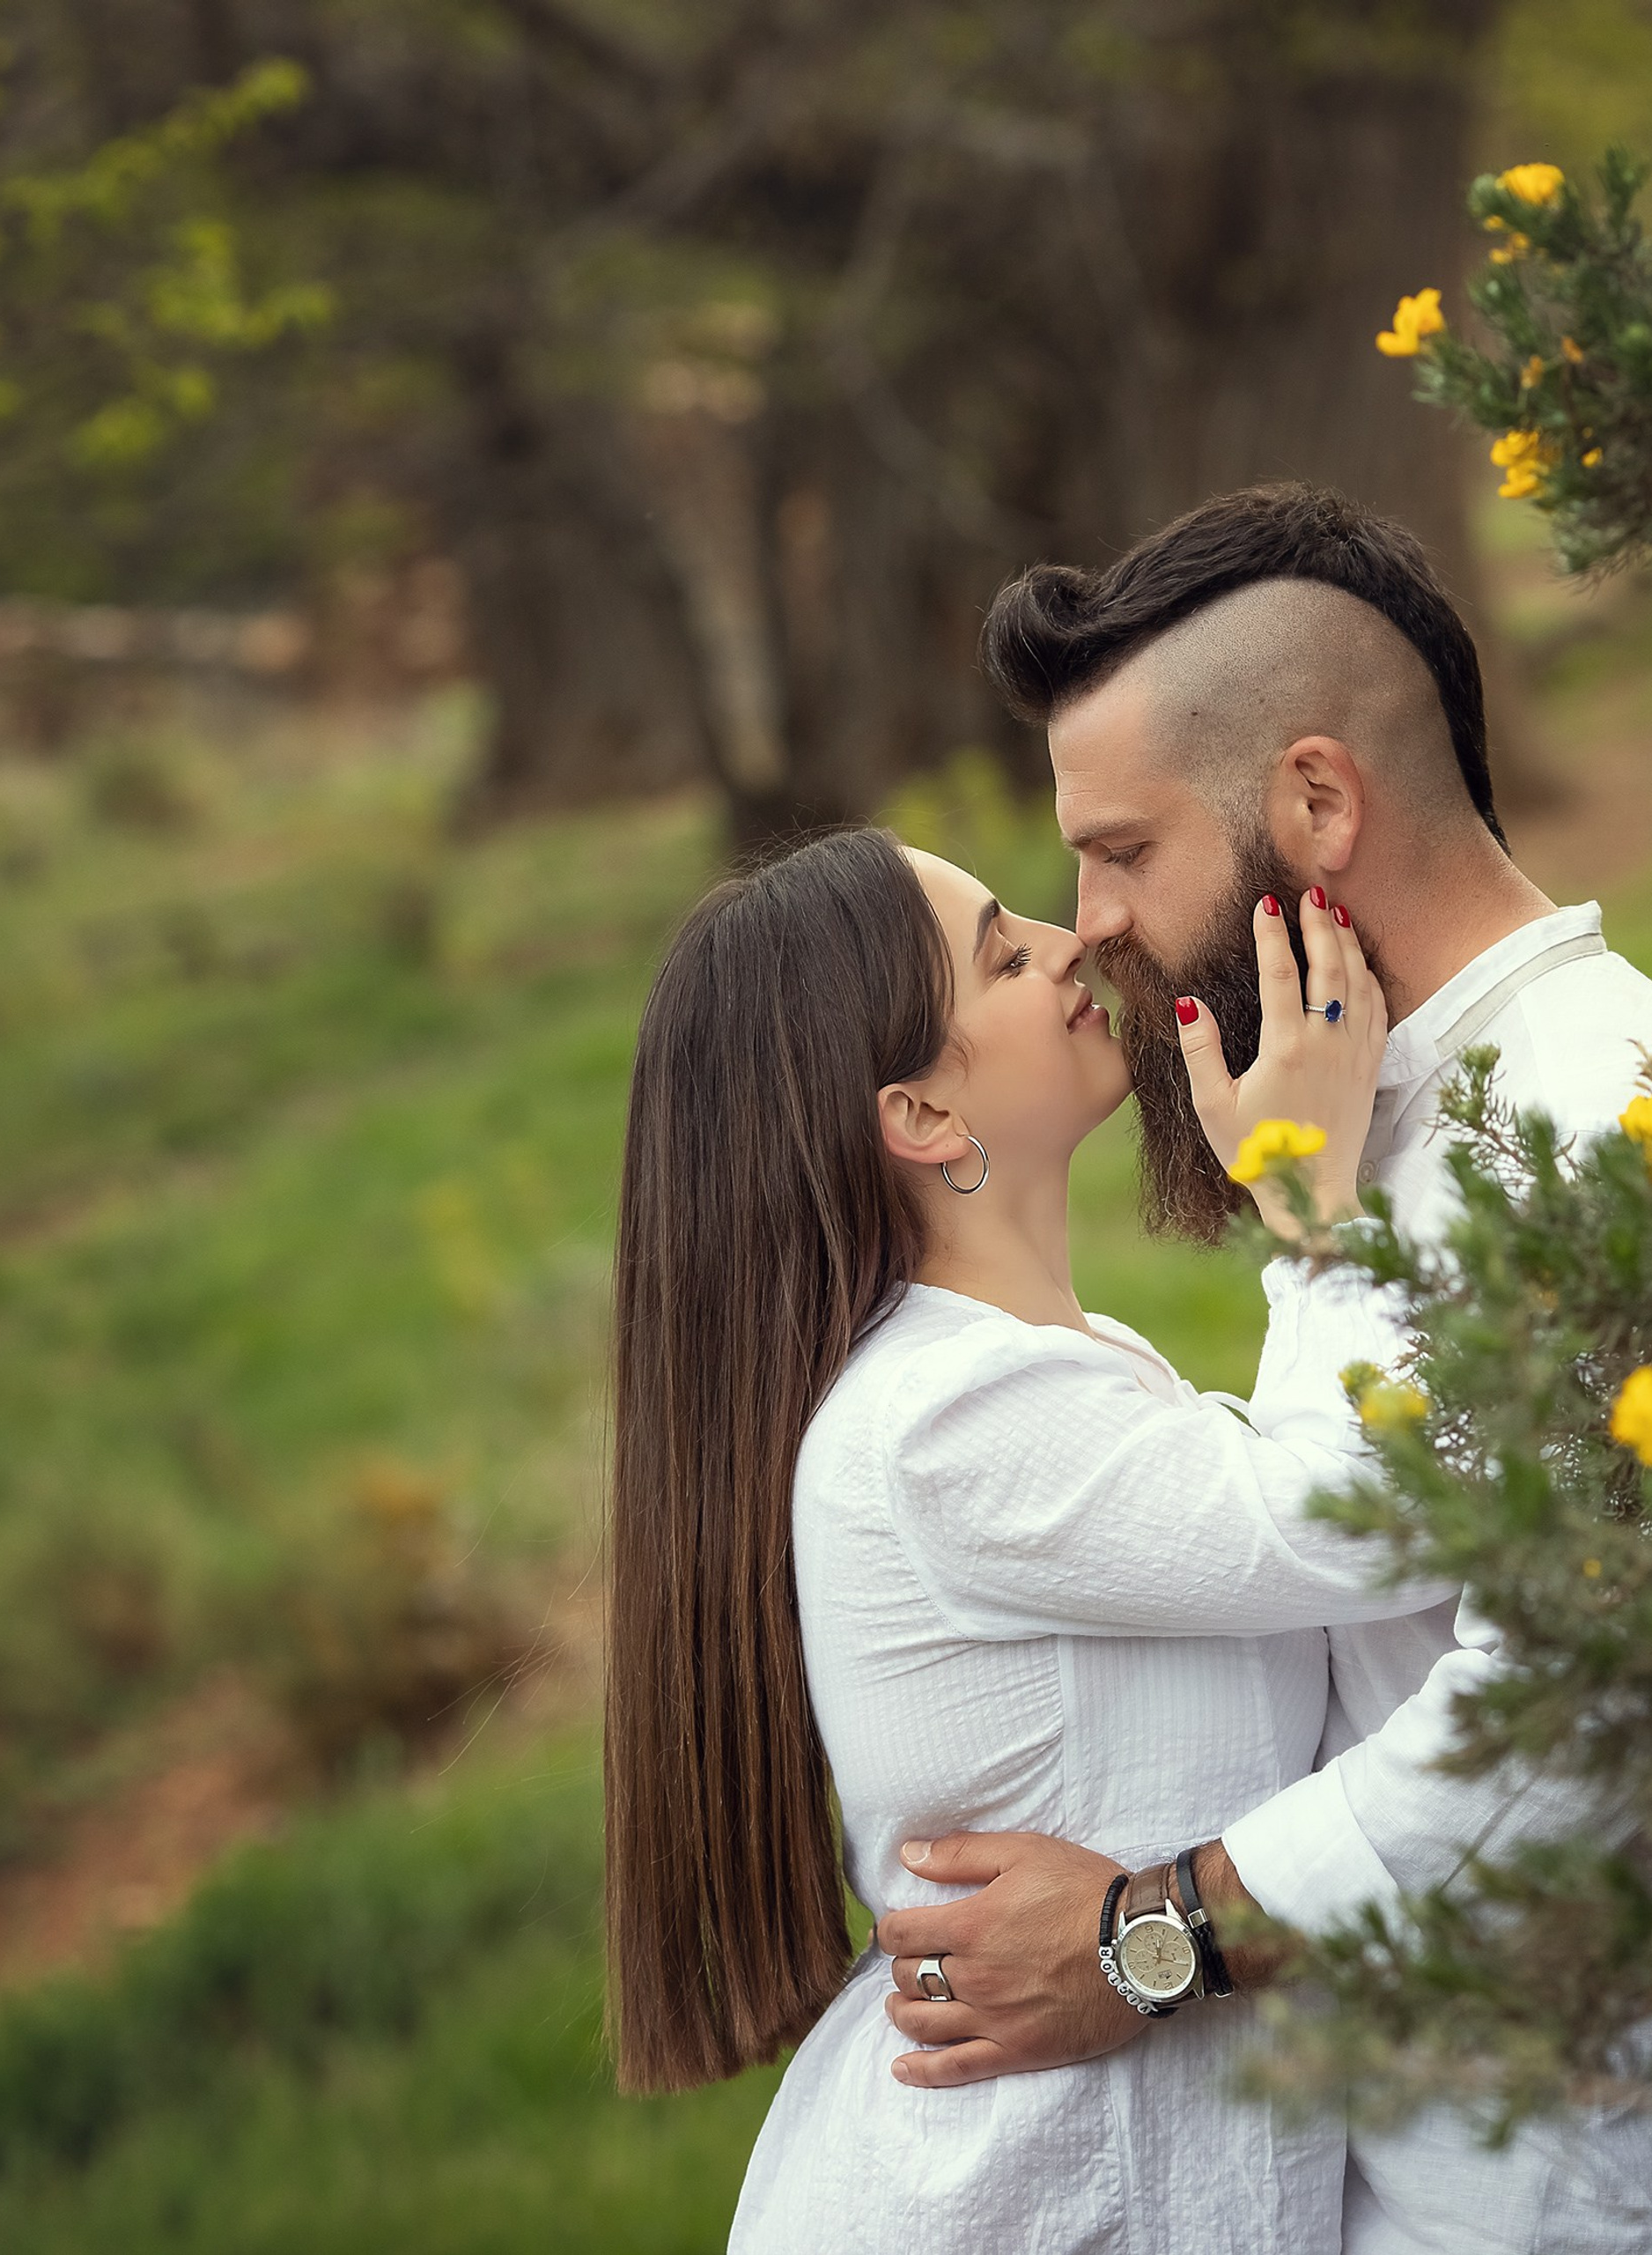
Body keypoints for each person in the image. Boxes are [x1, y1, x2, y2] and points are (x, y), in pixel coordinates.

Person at [874, 484, 1652, 2251]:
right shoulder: (1377, 1099)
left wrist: (1147, 1939)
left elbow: (1568, 1710)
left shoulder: (1590, 1122)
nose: (1087, 920)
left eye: (1122, 848)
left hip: (1617, 2184)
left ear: (1314, 801)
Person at [604, 821, 1455, 2252]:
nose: (1073, 945)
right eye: (1004, 954)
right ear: (924, 1118)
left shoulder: (1057, 1369)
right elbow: (1373, 1513)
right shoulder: (952, 1418)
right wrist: (1311, 1206)